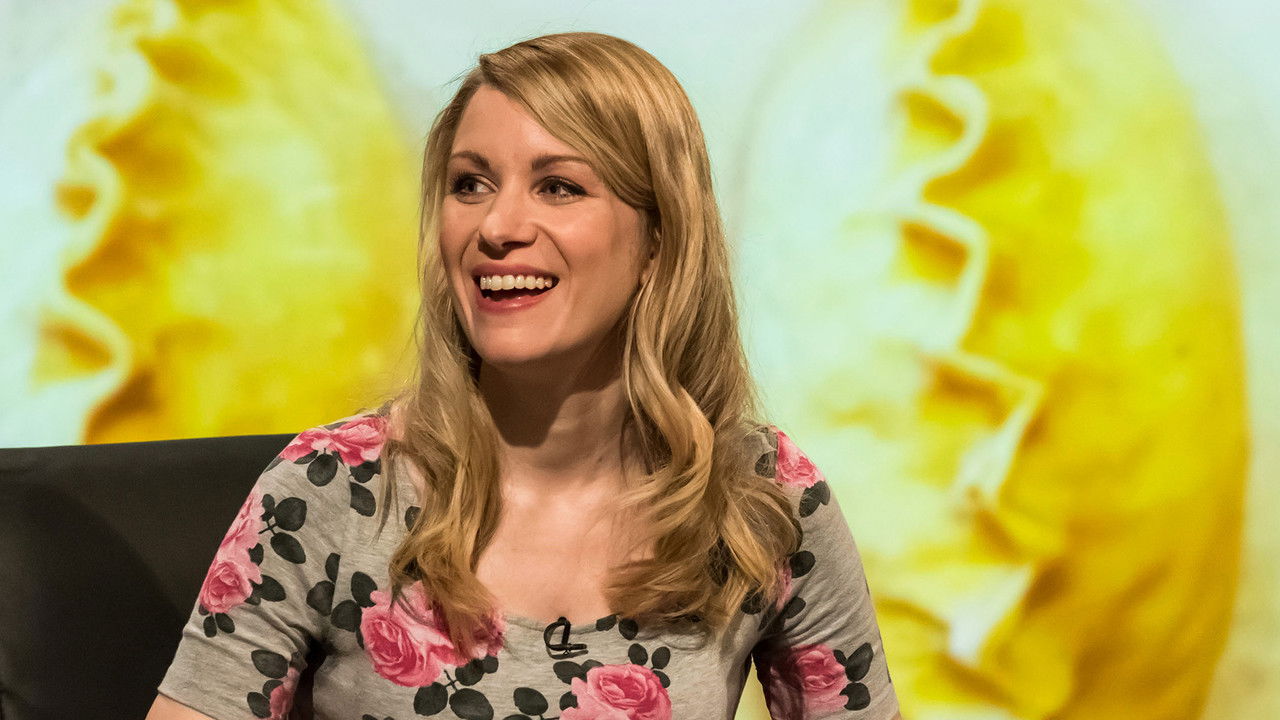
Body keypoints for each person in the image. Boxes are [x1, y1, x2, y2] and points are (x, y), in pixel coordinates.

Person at [145, 31, 900, 720]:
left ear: (658, 241)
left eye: (558, 187)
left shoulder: (764, 497)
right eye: (470, 184)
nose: (496, 227)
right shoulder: (329, 488)